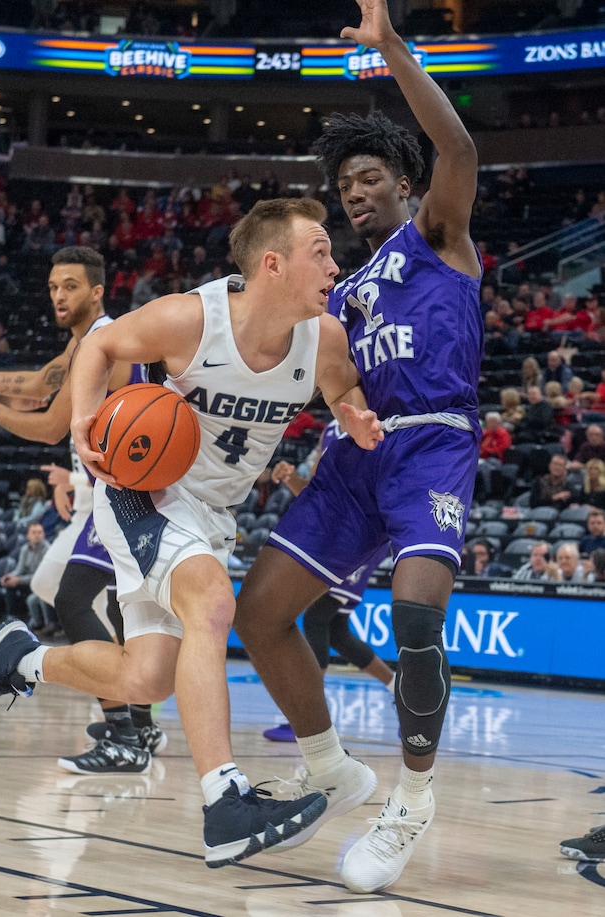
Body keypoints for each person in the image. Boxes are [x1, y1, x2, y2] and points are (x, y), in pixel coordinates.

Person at [0, 196, 385, 868]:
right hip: (142, 491)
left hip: (213, 513)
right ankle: (225, 800)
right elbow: (104, 343)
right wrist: (87, 417)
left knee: (148, 677)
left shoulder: (322, 337)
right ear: (273, 264)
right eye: (319, 251)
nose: (334, 264)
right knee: (212, 603)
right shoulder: (190, 319)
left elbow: (342, 387)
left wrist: (351, 415)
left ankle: (21, 659)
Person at [233, 0, 483, 894]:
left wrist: (389, 48)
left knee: (416, 618)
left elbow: (458, 148)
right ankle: (335, 766)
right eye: (345, 188)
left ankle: (410, 803)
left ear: (407, 185)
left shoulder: (439, 238)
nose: (355, 193)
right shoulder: (334, 291)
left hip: (431, 445)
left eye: (370, 177)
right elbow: (315, 376)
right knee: (259, 614)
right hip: (355, 456)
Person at [0, 245, 165, 772]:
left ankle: (124, 730)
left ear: (97, 290)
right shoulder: (87, 341)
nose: (58, 295)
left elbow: (51, 422)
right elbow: (35, 385)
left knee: (74, 598)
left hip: (131, 489)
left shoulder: (104, 340)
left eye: (70, 286)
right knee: (124, 607)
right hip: (124, 486)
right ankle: (138, 727)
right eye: (54, 285)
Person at [262, 421, 396, 743]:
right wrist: (290, 478)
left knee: (317, 616)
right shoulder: (332, 429)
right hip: (336, 532)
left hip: (364, 531)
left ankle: (309, 721)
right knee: (335, 629)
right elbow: (317, 496)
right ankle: (399, 688)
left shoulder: (382, 419)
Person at [0, 521, 56, 631]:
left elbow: (41, 576)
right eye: (34, 532)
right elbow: (19, 570)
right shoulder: (24, 549)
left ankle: (42, 623)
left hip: (42, 582)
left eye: (39, 532)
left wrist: (19, 580)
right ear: (28, 535)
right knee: (9, 584)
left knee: (22, 587)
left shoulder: (47, 550)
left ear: (44, 535)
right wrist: (9, 577)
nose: (37, 535)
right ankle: (12, 617)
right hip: (29, 581)